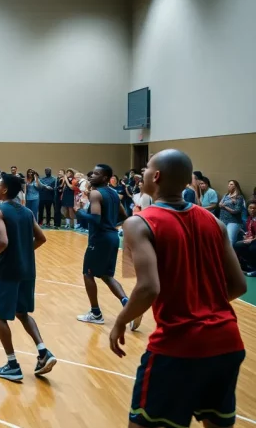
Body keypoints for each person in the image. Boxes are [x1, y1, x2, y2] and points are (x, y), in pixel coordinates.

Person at [109, 149, 247, 428]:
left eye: (146, 168)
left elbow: (148, 288)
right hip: (227, 341)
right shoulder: (215, 222)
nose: (143, 173)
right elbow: (239, 285)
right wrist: (200, 303)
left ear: (156, 176)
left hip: (178, 346)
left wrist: (120, 321)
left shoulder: (139, 223)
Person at [0, 173, 56, 381]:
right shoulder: (27, 212)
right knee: (22, 313)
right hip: (27, 270)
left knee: (0, 316)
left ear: (4, 190)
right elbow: (41, 238)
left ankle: (12, 364)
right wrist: (24, 250)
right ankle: (43, 352)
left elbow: (3, 242)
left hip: (8, 271)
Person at [75, 164, 139, 329]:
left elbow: (95, 219)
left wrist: (80, 212)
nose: (91, 176)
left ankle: (95, 313)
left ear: (104, 178)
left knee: (87, 274)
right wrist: (111, 226)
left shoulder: (96, 194)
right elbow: (124, 215)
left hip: (99, 239)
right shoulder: (113, 194)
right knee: (106, 276)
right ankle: (129, 305)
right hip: (111, 238)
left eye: (96, 174)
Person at [219, 180, 246, 245]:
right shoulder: (226, 195)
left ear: (236, 186)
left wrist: (225, 207)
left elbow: (236, 211)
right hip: (222, 220)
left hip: (233, 221)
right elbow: (220, 204)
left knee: (230, 240)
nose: (229, 185)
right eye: (229, 184)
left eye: (231, 184)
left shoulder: (239, 197)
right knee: (220, 239)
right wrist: (222, 205)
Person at [235, 201, 256, 275]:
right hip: (253, 239)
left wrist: (252, 240)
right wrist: (246, 235)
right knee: (238, 245)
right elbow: (251, 232)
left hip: (254, 241)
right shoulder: (249, 219)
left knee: (252, 247)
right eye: (250, 208)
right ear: (247, 209)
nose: (252, 210)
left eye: (254, 208)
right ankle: (249, 266)